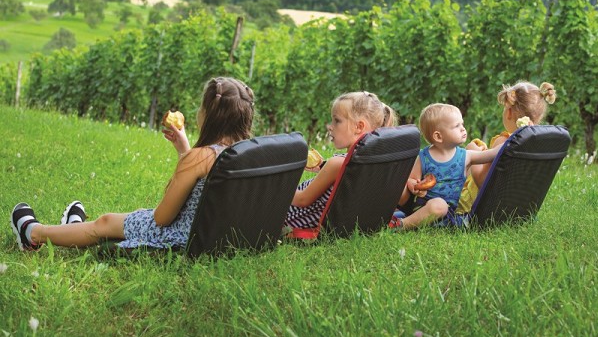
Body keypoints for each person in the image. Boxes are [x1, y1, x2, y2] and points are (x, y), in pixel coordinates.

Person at [10, 77, 255, 251]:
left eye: (201, 107)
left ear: (208, 115)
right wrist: (184, 150)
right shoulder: (248, 154)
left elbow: (162, 218)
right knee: (105, 226)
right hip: (215, 236)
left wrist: (187, 159)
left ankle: (33, 234)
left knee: (105, 222)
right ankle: (74, 230)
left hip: (181, 237)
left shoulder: (200, 157)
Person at [283, 91, 396, 231]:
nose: (330, 126)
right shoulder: (375, 163)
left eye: (337, 120)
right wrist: (323, 166)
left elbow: (302, 200)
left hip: (291, 217)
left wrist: (276, 188)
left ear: (359, 127)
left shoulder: (337, 163)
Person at [389, 103, 501, 230]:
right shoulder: (424, 157)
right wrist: (415, 186)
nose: (463, 129)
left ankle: (401, 223)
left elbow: (491, 154)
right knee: (433, 202)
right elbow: (411, 179)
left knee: (441, 205)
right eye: (456, 126)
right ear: (438, 136)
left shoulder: (465, 156)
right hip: (421, 206)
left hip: (445, 214)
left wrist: (511, 140)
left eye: (462, 124)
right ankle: (400, 223)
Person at [455, 81, 556, 214]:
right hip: (514, 208)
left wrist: (472, 153)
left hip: (480, 206)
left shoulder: (504, 141)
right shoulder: (536, 145)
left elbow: (482, 182)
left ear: (508, 112)